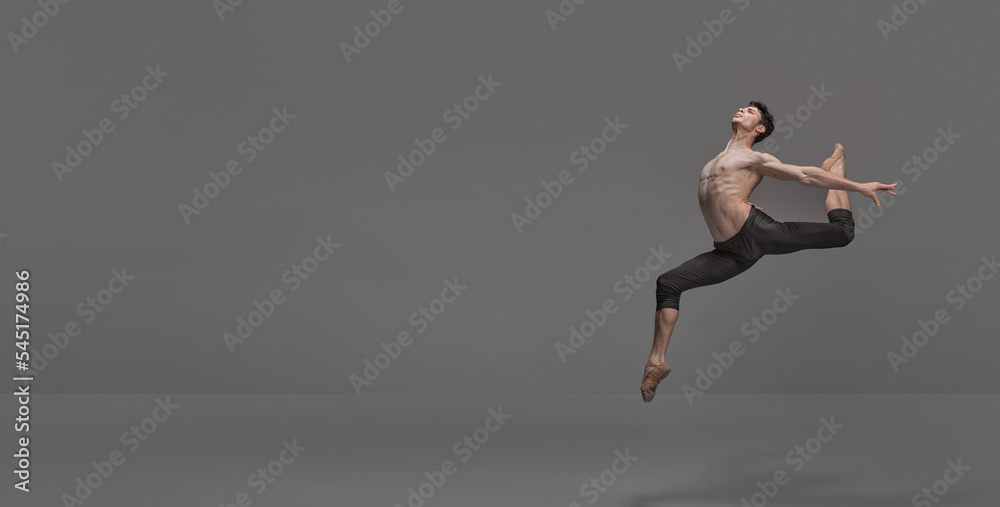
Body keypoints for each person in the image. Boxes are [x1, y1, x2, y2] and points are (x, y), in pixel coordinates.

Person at [640, 101, 898, 402]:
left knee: (843, 234)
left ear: (760, 128)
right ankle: (656, 363)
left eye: (751, 112)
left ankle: (838, 167)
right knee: (668, 283)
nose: (742, 110)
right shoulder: (714, 161)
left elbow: (803, 174)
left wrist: (858, 186)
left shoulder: (755, 158)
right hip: (729, 252)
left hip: (756, 232)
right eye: (742, 108)